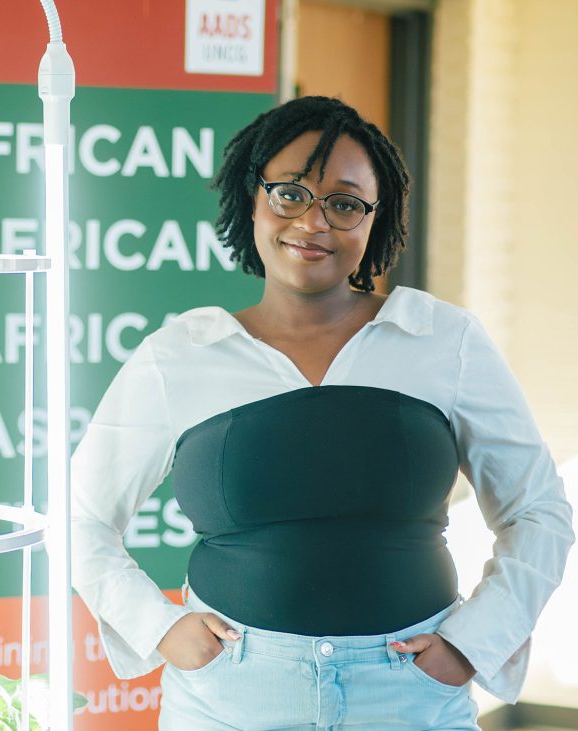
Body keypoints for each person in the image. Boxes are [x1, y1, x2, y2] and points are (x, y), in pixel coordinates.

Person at [70, 96, 575, 730]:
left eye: (343, 202)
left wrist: (472, 643)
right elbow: (79, 519)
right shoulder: (178, 358)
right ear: (251, 199)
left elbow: (539, 512)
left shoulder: (445, 341)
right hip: (231, 701)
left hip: (410, 700)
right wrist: (161, 628)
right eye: (289, 194)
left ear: (374, 219)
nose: (313, 223)